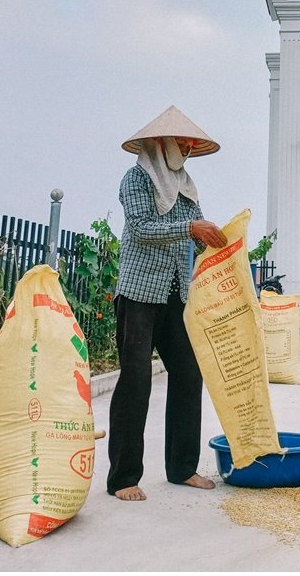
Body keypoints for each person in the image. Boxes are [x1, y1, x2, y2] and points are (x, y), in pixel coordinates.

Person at [107, 105, 227, 501]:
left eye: (192, 142)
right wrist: (191, 228)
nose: (190, 147)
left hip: (176, 294)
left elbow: (197, 235)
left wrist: (218, 238)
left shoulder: (186, 188)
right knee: (136, 381)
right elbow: (142, 229)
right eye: (183, 141)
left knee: (189, 374)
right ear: (161, 143)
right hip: (139, 294)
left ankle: (182, 468)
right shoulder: (136, 179)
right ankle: (124, 478)